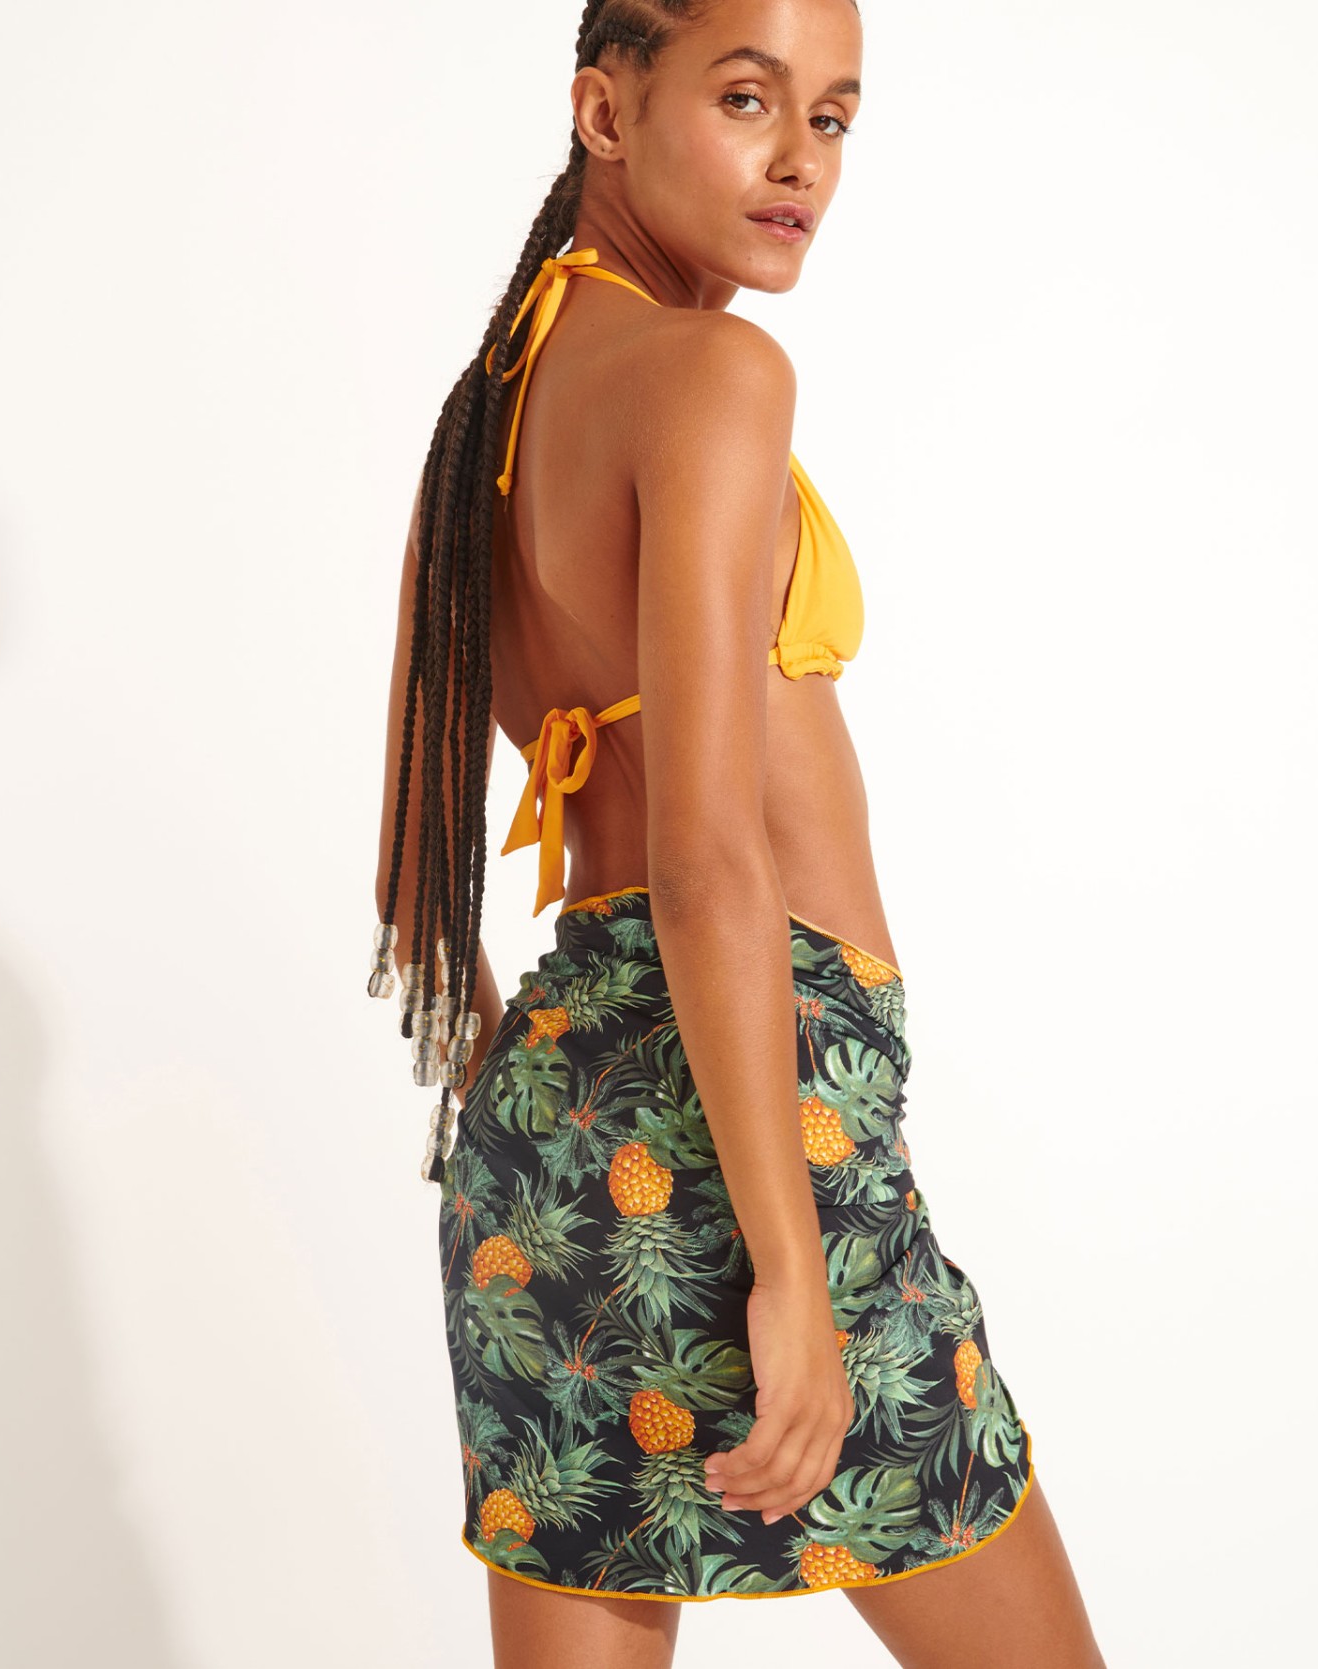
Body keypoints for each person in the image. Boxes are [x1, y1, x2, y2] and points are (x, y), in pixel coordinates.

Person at [369, 2, 1106, 1664]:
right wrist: (791, 1264)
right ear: (605, 112)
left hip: (543, 1135)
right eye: (749, 98)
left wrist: (522, 1118)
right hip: (763, 1112)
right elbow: (709, 864)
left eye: (833, 118)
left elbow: (416, 847)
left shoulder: (482, 421)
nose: (801, 162)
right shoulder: (713, 373)